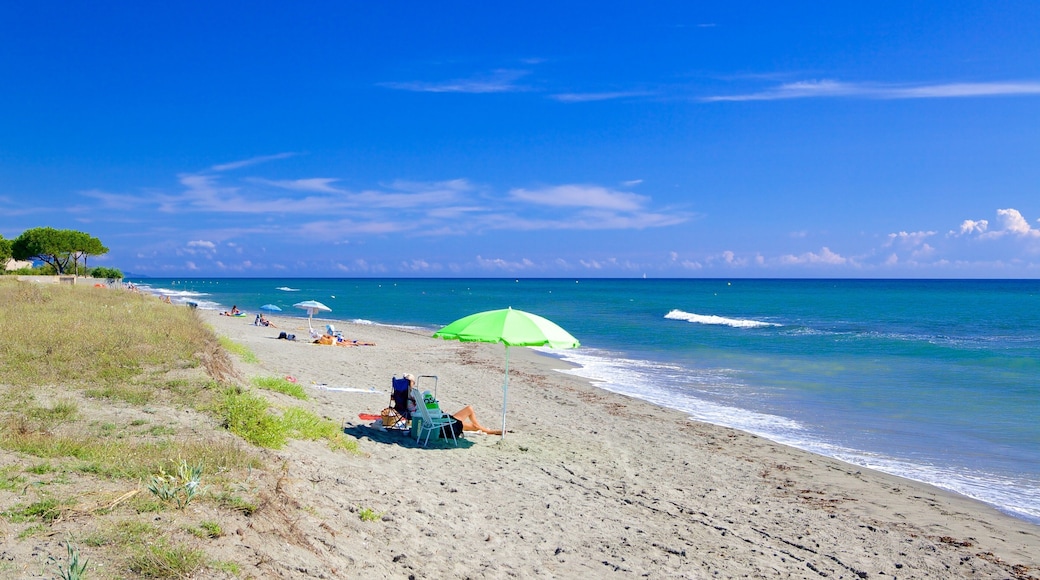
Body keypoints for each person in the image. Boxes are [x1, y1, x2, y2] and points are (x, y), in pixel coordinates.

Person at [402, 373, 500, 435]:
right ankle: (491, 431)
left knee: (472, 425)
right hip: (439, 422)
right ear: (412, 383)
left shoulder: (408, 398)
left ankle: (486, 430)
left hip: (436, 420)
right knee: (469, 409)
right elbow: (417, 412)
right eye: (413, 382)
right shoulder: (412, 398)